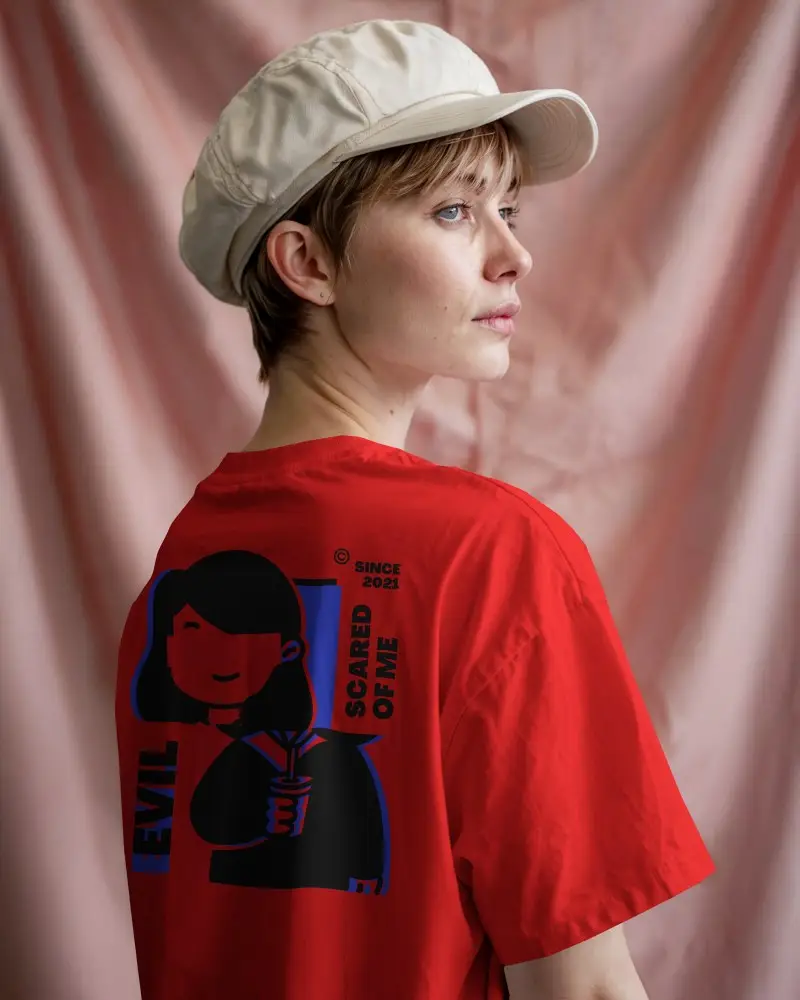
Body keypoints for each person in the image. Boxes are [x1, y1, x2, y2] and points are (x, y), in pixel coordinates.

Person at [115, 18, 715, 1000]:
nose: (512, 254)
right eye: (451, 211)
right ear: (306, 264)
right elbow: (586, 987)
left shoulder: (177, 576)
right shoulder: (493, 553)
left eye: (509, 208)